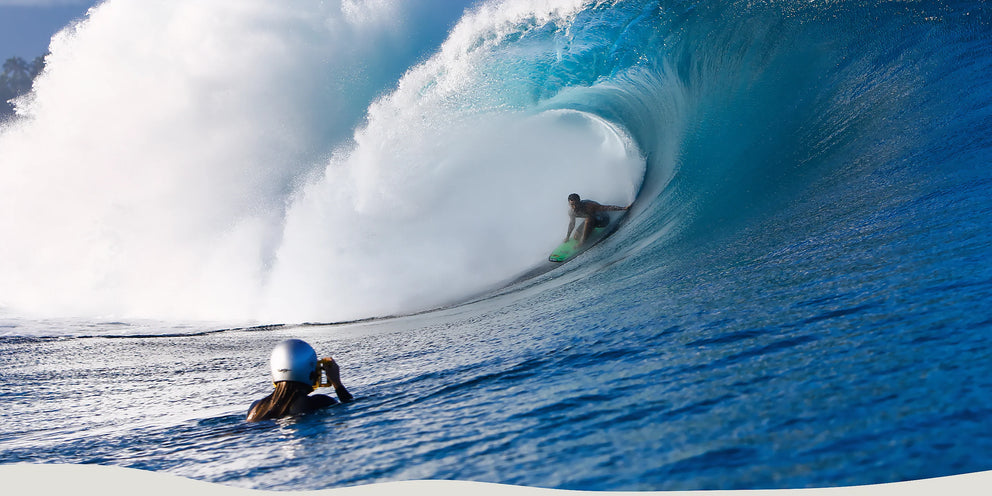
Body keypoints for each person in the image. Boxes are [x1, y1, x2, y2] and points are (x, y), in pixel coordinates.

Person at [246, 339, 353, 422]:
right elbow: (348, 409)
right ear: (309, 371)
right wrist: (337, 384)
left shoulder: (255, 407)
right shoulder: (319, 402)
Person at [564, 193, 629, 246]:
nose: (574, 207)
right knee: (576, 237)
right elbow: (572, 224)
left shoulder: (589, 205)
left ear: (579, 201)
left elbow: (606, 207)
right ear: (569, 204)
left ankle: (583, 241)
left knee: (588, 219)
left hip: (603, 220)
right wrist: (567, 237)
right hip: (591, 221)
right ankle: (590, 231)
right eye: (572, 204)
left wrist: (623, 208)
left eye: (576, 204)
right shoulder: (571, 212)